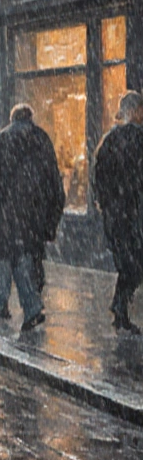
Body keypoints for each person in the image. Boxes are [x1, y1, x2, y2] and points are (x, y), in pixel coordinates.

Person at [0, 104, 64, 331]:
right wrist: (52, 218)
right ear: (30, 118)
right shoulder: (41, 138)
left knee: (6, 256)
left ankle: (11, 304)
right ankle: (24, 305)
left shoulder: (1, 139)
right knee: (24, 257)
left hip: (6, 213)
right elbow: (54, 182)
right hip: (34, 214)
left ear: (12, 118)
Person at [93, 91, 143, 334]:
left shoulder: (110, 140)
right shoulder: (137, 138)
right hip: (131, 213)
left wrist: (106, 204)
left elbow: (99, 177)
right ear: (133, 111)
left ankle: (120, 308)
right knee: (133, 263)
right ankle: (120, 308)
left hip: (117, 214)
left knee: (128, 262)